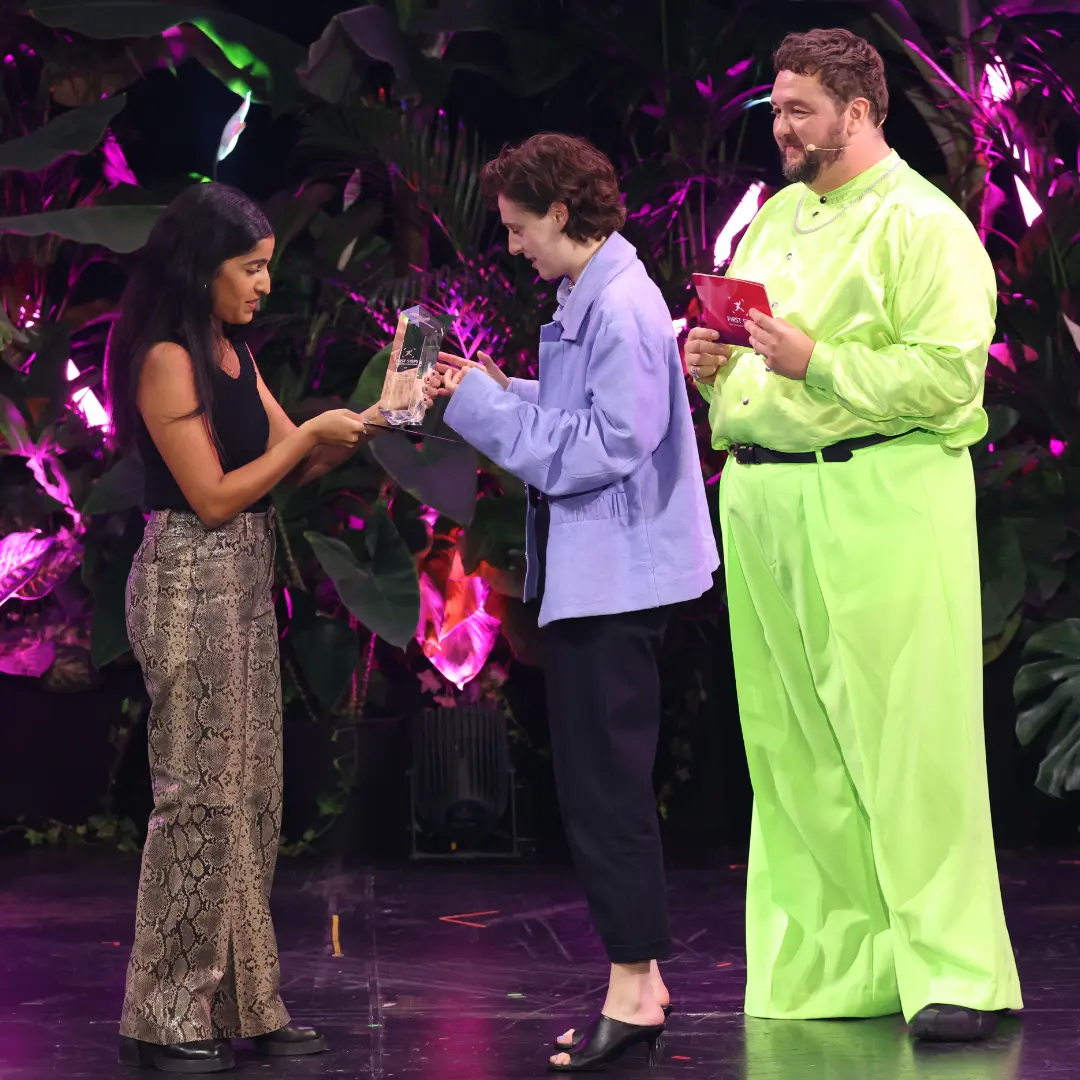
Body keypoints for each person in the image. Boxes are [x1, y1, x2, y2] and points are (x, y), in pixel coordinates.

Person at [683, 28, 1023, 1042]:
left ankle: (956, 970)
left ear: (861, 112)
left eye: (801, 111)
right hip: (764, 496)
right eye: (777, 110)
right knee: (794, 747)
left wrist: (817, 361)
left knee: (909, 737)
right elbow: (754, 354)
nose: (781, 128)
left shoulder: (925, 224)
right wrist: (714, 364)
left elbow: (951, 378)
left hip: (880, 494)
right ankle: (836, 969)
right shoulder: (776, 217)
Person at [104, 182, 423, 1073]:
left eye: (266, 267)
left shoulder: (231, 350)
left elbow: (299, 458)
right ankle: (161, 1017)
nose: (263, 285)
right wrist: (305, 436)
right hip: (188, 582)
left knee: (250, 800)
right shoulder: (167, 358)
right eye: (249, 268)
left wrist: (382, 412)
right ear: (200, 267)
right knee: (198, 800)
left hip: (241, 586)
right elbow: (212, 497)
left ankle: (243, 1001)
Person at [433, 133, 719, 1072]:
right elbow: (577, 409)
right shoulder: (593, 295)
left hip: (615, 581)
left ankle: (632, 991)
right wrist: (490, 388)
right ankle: (640, 982)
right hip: (599, 578)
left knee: (606, 791)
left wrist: (483, 410)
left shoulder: (621, 304)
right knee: (600, 785)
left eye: (521, 228)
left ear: (561, 213)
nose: (514, 246)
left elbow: (604, 445)